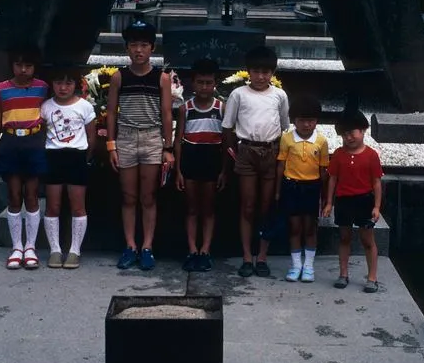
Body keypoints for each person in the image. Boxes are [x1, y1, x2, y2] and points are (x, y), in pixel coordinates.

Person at [106, 18, 174, 271]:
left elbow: (166, 113)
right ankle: (130, 245)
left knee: (148, 196)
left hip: (151, 139)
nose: (139, 50)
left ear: (152, 48)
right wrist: (111, 145)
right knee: (128, 196)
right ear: (127, 48)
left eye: (144, 45)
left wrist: (168, 148)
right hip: (125, 138)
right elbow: (111, 112)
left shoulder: (161, 78)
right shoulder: (119, 77)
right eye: (134, 45)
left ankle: (147, 246)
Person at [222, 45, 289, 278]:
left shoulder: (279, 95)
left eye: (266, 72)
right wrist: (234, 152)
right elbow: (228, 127)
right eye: (256, 71)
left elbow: (284, 126)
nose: (261, 77)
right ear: (248, 71)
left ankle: (262, 256)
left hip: (271, 151)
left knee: (266, 205)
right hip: (246, 151)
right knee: (248, 205)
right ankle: (246, 256)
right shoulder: (238, 94)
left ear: (272, 73)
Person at [0, 47, 48, 270]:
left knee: (32, 195)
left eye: (28, 65)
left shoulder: (42, 87)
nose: (23, 70)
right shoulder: (1, 89)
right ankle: (16, 247)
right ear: (12, 65)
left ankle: (30, 247)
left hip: (34, 142)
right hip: (10, 141)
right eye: (19, 65)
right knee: (14, 195)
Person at [40, 67, 96, 269]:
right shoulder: (46, 106)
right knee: (53, 206)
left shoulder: (84, 106)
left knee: (77, 206)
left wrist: (86, 158)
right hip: (53, 157)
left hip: (76, 157)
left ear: (76, 85)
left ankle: (74, 250)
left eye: (68, 83)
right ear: (52, 84)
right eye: (58, 83)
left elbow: (91, 136)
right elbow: (42, 133)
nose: (63, 88)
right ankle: (55, 250)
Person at [174, 57, 227, 271]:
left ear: (215, 84)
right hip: (190, 160)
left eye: (208, 83)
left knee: (208, 208)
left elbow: (227, 142)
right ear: (192, 83)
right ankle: (192, 249)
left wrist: (224, 171)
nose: (204, 87)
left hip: (212, 160)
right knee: (192, 208)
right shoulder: (185, 109)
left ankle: (205, 249)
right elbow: (178, 140)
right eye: (200, 82)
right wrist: (178, 170)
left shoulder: (221, 108)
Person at [322, 110, 383, 293]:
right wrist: (329, 202)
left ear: (362, 130)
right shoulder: (338, 154)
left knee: (367, 240)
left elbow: (376, 182)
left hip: (364, 200)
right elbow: (332, 179)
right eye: (344, 134)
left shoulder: (371, 155)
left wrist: (377, 206)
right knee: (344, 237)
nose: (348, 137)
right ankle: (343, 274)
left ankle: (372, 277)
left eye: (352, 133)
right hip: (343, 200)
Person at [275, 95, 329, 283]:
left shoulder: (321, 141)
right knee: (295, 227)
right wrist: (277, 190)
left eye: (311, 120)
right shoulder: (287, 139)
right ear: (294, 120)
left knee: (310, 228)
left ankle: (309, 266)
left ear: (316, 121)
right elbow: (281, 165)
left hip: (312, 187)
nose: (306, 125)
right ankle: (296, 265)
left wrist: (325, 197)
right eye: (302, 120)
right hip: (292, 186)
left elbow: (324, 170)